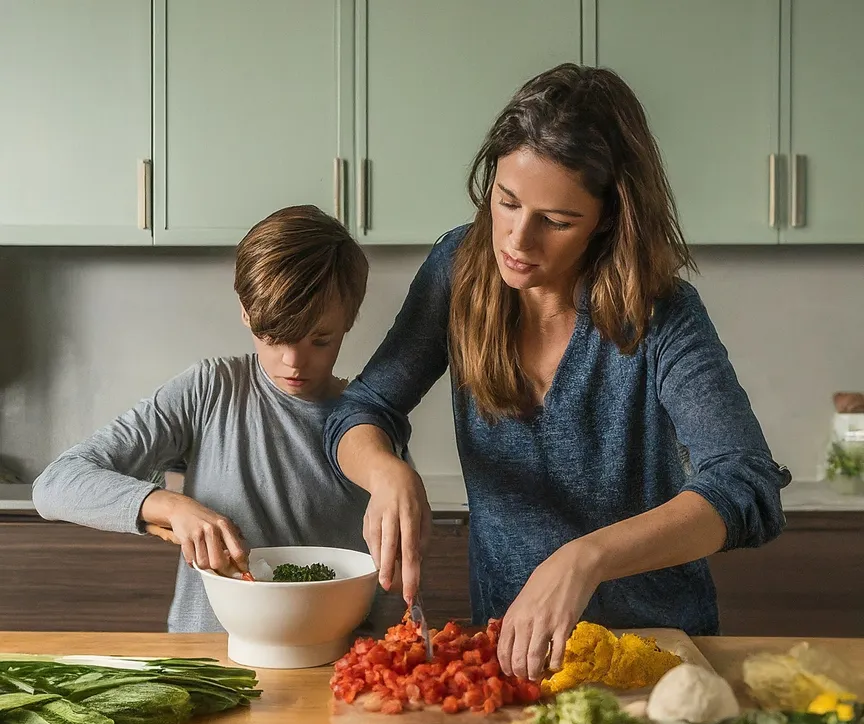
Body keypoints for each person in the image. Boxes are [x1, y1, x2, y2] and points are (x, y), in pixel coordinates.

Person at [324, 64, 791, 682]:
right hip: (514, 655)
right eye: (507, 202)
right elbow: (362, 411)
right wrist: (386, 474)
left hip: (655, 651)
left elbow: (747, 484)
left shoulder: (663, 314)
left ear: (609, 217)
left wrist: (587, 557)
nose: (518, 239)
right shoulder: (457, 272)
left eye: (557, 220)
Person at [33, 205, 372, 633]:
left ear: (349, 321)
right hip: (206, 655)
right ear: (246, 313)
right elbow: (55, 484)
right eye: (272, 338)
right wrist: (170, 506)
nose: (292, 361)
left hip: (333, 659)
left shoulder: (369, 413)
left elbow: (388, 572)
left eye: (319, 340)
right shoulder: (209, 389)